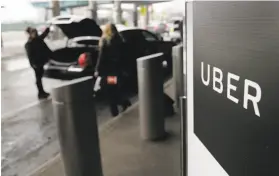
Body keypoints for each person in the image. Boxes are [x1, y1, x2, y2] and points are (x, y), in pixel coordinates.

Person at [94, 23, 131, 117]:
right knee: (113, 89)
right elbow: (124, 56)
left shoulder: (105, 41)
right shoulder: (120, 40)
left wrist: (97, 69)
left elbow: (101, 57)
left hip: (108, 71)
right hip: (116, 70)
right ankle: (123, 102)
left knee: (109, 91)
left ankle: (116, 111)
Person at [25, 27, 52, 99]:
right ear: (30, 34)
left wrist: (48, 29)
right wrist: (33, 64)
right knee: (38, 78)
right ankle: (40, 93)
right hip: (36, 64)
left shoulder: (37, 39)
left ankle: (42, 92)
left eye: (36, 32)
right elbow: (30, 56)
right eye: (34, 33)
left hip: (40, 62)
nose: (35, 34)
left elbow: (44, 35)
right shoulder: (29, 44)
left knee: (40, 76)